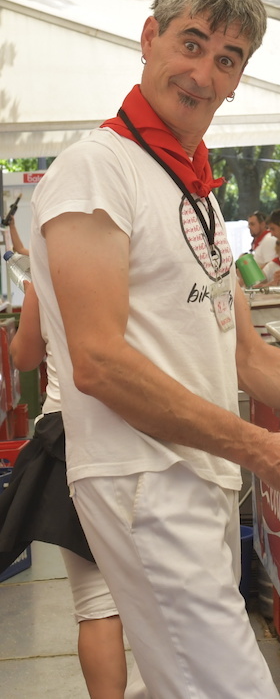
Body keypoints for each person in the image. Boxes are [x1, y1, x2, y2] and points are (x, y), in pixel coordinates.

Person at [29, 0, 280, 699]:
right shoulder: (96, 168)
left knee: (180, 681)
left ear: (240, 79)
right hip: (144, 477)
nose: (204, 71)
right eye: (192, 41)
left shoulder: (197, 192)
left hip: (194, 478)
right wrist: (262, 450)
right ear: (149, 38)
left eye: (227, 58)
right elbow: (100, 362)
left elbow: (244, 355)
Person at [0, 283, 145, 699]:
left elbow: (24, 356)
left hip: (72, 439)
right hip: (145, 427)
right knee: (168, 594)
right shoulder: (140, 257)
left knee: (97, 602)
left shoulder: (46, 274)